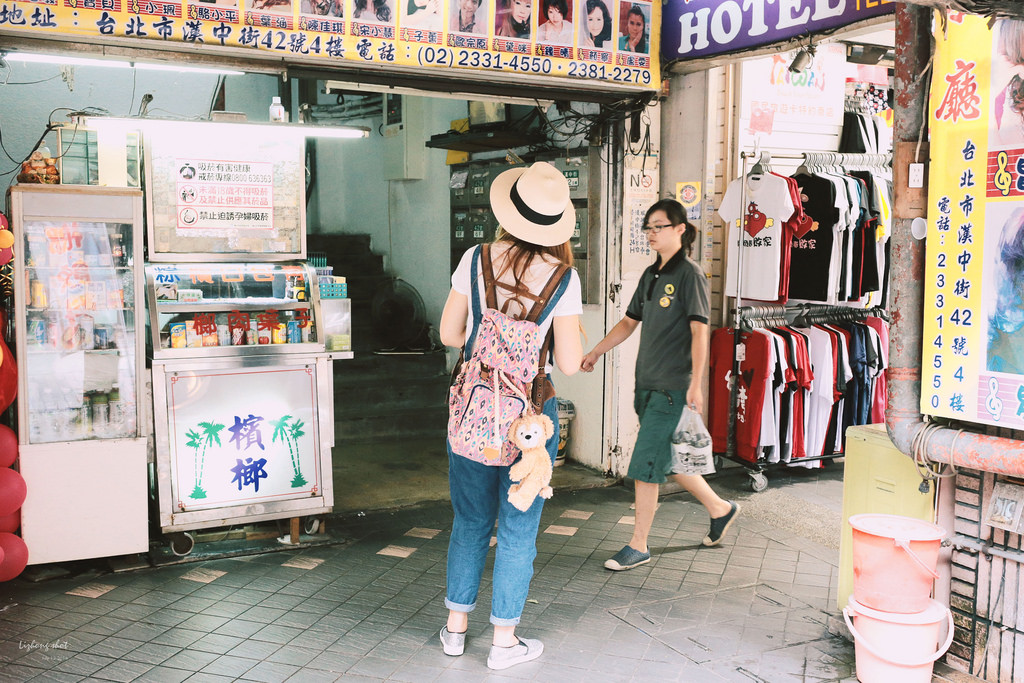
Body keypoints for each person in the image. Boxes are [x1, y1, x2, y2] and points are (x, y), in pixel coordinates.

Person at [439, 162, 583, 669]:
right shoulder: (565, 279)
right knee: (518, 528)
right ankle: (504, 643)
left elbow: (450, 335)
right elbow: (567, 361)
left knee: (470, 521)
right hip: (530, 421)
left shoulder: (475, 259)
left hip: (474, 409)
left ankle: (455, 631)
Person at [581, 199, 739, 571]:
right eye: (648, 227)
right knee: (665, 458)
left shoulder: (691, 275)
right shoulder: (651, 276)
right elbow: (628, 322)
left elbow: (701, 332)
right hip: (646, 385)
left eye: (659, 226)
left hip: (672, 387)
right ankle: (720, 508)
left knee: (644, 465)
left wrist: (697, 383)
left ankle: (639, 545)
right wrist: (596, 352)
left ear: (680, 229)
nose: (651, 233)